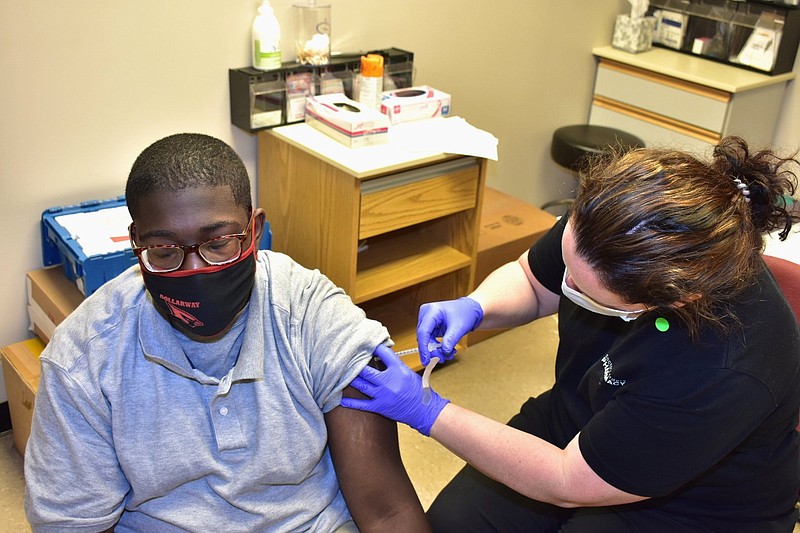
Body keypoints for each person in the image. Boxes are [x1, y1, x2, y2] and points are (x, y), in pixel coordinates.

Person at [342, 136, 800, 532]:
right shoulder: (611, 224)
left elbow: (565, 480)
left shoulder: (728, 365)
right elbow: (531, 279)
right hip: (577, 416)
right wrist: (477, 306)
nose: (567, 284)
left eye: (581, 287)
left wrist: (427, 411)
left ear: (669, 300)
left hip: (692, 506)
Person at [24, 133, 430, 533]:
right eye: (164, 250)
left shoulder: (312, 315)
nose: (194, 270)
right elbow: (72, 525)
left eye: (218, 243)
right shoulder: (84, 358)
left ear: (254, 229)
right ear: (136, 242)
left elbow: (387, 513)